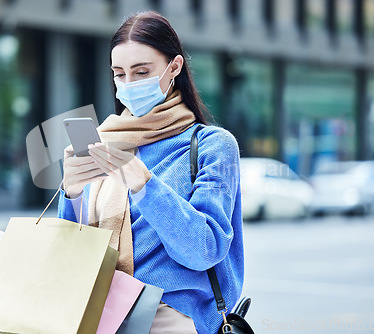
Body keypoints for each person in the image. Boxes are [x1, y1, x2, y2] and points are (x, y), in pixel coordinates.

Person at [58, 11, 244, 334]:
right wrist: (71, 193)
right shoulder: (105, 142)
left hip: (168, 319)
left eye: (141, 72)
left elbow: (203, 250)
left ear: (174, 67)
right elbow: (71, 255)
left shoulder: (213, 146)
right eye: (119, 74)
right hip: (97, 316)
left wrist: (143, 184)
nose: (128, 85)